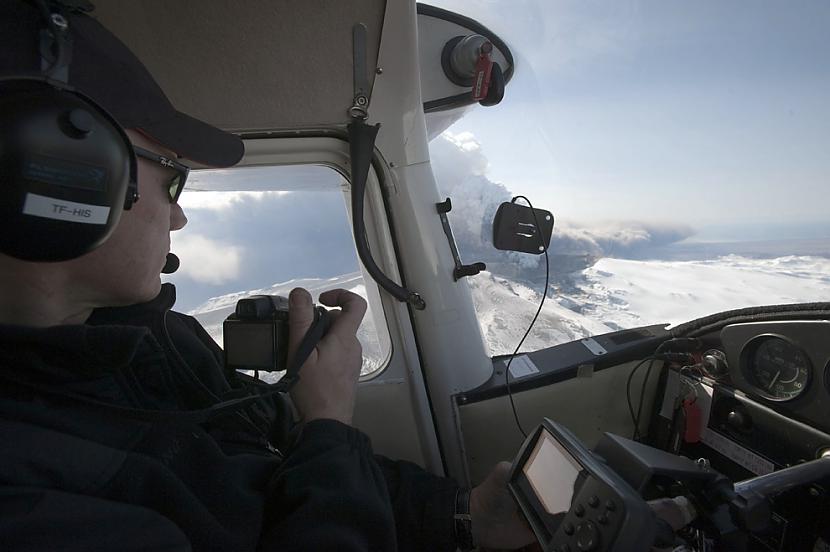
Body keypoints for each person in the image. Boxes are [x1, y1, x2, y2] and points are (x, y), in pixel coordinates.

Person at [0, 1, 536, 550]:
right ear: (64, 177)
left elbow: (283, 470)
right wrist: (328, 420)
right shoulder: (28, 500)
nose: (179, 216)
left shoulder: (161, 338)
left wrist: (464, 515)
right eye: (173, 179)